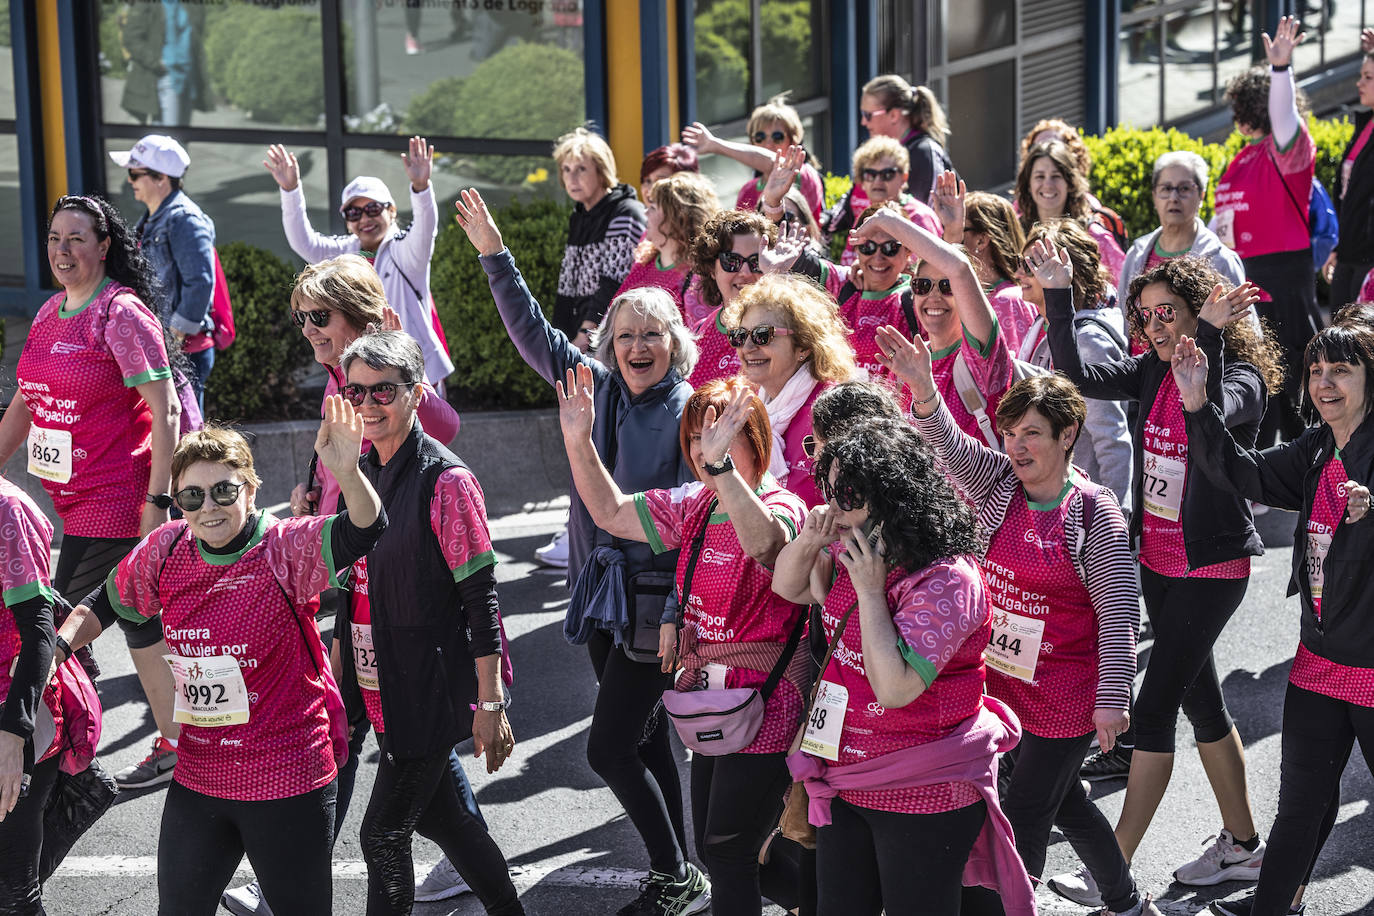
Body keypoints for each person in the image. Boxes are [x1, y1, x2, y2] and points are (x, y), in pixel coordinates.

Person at [455, 189, 706, 916]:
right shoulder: (594, 389)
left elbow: (699, 524)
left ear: (675, 343)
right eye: (625, 335)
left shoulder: (697, 410)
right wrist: (494, 255)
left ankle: (675, 872)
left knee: (608, 748)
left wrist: (681, 614)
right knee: (647, 736)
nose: (636, 348)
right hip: (601, 596)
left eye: (651, 335)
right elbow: (534, 335)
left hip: (658, 606)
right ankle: (681, 865)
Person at [53, 412, 386, 916]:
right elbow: (104, 604)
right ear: (179, 504)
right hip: (202, 773)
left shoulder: (284, 547)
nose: (208, 507)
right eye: (191, 497)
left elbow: (366, 528)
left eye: (224, 492)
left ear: (250, 490)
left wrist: (348, 474)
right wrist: (52, 652)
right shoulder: (166, 550)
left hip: (285, 773)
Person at [217, 254, 469, 916]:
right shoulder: (337, 381)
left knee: (362, 736)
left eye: (318, 316)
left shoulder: (374, 378)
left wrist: (391, 363)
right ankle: (302, 884)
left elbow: (444, 428)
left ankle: (291, 886)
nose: (307, 329)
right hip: (357, 593)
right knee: (383, 741)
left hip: (400, 597)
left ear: (360, 314)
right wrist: (314, 504)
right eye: (301, 317)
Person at [1032, 247, 1286, 903]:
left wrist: (1204, 341)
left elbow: (1214, 427)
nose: (1154, 328)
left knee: (1154, 708)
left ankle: (1111, 870)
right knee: (1205, 705)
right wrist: (1058, 294)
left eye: (1167, 313)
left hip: (1212, 567)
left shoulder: (1240, 379)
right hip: (1157, 564)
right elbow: (1074, 372)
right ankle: (1243, 847)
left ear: (1200, 313)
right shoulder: (1148, 371)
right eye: (1144, 318)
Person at [895, 338, 1154, 915]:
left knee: (1025, 819)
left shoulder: (1094, 512)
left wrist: (1113, 700)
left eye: (1031, 433)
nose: (1015, 446)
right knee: (1067, 806)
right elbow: (949, 446)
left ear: (1067, 436)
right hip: (1001, 689)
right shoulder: (999, 485)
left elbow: (1119, 614)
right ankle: (1127, 901)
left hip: (1063, 700)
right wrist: (921, 388)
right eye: (1010, 433)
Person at [558, 371, 808, 916]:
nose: (704, 447)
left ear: (757, 439)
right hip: (710, 705)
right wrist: (579, 440)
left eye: (719, 432)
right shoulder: (695, 502)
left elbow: (768, 545)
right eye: (695, 436)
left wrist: (722, 472)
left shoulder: (783, 503)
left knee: (728, 848)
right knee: (722, 850)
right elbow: (611, 513)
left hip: (766, 706)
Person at [771, 420, 1034, 915]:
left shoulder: (948, 579)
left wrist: (871, 592)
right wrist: (810, 538)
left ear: (890, 492)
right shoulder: (857, 545)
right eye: (828, 488)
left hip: (924, 787)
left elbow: (894, 688)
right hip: (847, 775)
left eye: (847, 492)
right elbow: (787, 588)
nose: (834, 506)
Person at [1174, 323, 1374, 916]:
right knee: (1302, 801)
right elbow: (1244, 472)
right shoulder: (1317, 447)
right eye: (1316, 371)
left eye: (1341, 370)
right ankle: (1275, 906)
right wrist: (1197, 404)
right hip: (1319, 658)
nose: (1324, 383)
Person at [331, 333, 523, 916]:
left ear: (416, 393)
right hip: (376, 684)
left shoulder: (446, 480)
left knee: (382, 835)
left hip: (424, 690)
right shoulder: (359, 468)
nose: (367, 404)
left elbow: (480, 598)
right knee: (454, 824)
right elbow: (349, 589)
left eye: (382, 390)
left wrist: (491, 705)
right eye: (355, 390)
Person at [0, 195, 183, 791]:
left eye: (77, 238)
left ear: (105, 246)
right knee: (133, 619)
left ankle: (64, 767)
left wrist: (156, 504)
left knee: (52, 633)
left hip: (117, 499)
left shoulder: (120, 313)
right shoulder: (51, 313)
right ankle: (181, 744)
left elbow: (168, 410)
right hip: (70, 500)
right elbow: (25, 404)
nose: (63, 250)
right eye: (55, 238)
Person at [262, 137, 455, 387]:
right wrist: (290, 190)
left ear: (392, 211)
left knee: (428, 426)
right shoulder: (345, 253)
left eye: (373, 208)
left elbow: (426, 227)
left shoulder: (407, 250)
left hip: (416, 371)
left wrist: (421, 186)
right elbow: (303, 242)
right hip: (368, 370)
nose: (364, 218)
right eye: (353, 213)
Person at [1212, 16, 1318, 444]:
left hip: (1286, 280)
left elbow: (1284, 115)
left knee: (1297, 385)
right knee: (1260, 382)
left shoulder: (1286, 150)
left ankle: (1316, 469)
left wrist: (1279, 70)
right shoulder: (1239, 160)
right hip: (1246, 282)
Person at [0, 474, 102, 914]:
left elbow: (40, 633)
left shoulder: (8, 511)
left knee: (13, 893)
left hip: (14, 712)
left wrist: (13, 737)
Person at [847, 205, 1016, 449]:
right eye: (923, 286)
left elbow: (959, 269)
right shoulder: (906, 362)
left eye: (947, 286)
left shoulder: (980, 357)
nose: (934, 296)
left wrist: (889, 221)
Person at [1012, 219, 1134, 517]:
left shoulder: (1089, 342)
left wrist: (1116, 519)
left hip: (1085, 512)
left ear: (1067, 272)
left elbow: (1113, 439)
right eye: (1020, 262)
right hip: (1053, 501)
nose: (1018, 273)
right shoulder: (1040, 325)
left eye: (1031, 266)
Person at [723, 273, 857, 508]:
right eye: (740, 336)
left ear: (803, 346)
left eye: (763, 335)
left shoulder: (837, 412)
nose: (748, 347)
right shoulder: (745, 408)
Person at [110, 134, 218, 410]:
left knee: (184, 438)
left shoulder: (184, 219)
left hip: (181, 351)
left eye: (135, 174)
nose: (129, 181)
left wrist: (175, 336)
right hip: (160, 345)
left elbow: (201, 282)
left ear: (161, 178)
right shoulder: (154, 217)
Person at [1120, 151, 1246, 316]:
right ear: (1154, 196)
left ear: (1202, 195)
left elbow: (1246, 330)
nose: (1174, 197)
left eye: (1184, 188)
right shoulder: (1136, 255)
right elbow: (1123, 317)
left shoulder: (1221, 261)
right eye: (1166, 188)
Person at [551, 127, 647, 338]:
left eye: (581, 169)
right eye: (566, 169)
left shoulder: (625, 212)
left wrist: (586, 334)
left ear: (602, 171)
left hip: (612, 336)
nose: (571, 178)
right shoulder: (579, 215)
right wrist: (556, 340)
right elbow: (566, 288)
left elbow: (614, 284)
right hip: (580, 335)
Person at [931, 173, 1039, 353]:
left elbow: (1013, 373)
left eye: (959, 228)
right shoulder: (961, 294)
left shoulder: (1008, 300)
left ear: (981, 240)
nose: (948, 235)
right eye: (946, 227)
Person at [681, 95, 825, 220]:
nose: (768, 144)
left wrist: (716, 145)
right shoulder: (748, 191)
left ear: (794, 141)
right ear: (751, 143)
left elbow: (773, 162)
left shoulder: (804, 174)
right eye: (760, 137)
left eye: (777, 137)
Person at [685, 209, 778, 389]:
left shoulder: (785, 331)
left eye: (756, 261)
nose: (745, 273)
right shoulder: (698, 335)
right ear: (712, 268)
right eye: (731, 260)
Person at [617, 171, 720, 326]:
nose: (645, 212)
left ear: (676, 217)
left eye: (652, 207)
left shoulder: (698, 277)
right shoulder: (645, 261)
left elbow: (698, 340)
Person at [1015, 140, 1127, 280]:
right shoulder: (1015, 232)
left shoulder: (1095, 237)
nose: (1048, 185)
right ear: (1028, 184)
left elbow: (1123, 288)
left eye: (1056, 176)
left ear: (1070, 183)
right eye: (1040, 177)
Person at [830, 137, 942, 267]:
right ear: (862, 181)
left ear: (904, 178)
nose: (878, 181)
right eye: (870, 174)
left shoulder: (920, 217)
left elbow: (926, 271)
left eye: (887, 174)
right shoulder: (866, 215)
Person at [1323, 29, 1374, 307]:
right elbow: (1348, 196)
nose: (1359, 83)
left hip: (1370, 258)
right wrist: (1338, 247)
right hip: (1350, 253)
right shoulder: (1365, 127)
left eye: (1368, 77)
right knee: (1340, 337)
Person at [858, 74, 954, 203]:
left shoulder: (923, 153)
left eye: (868, 115)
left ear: (893, 115)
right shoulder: (875, 155)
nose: (863, 122)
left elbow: (927, 216)